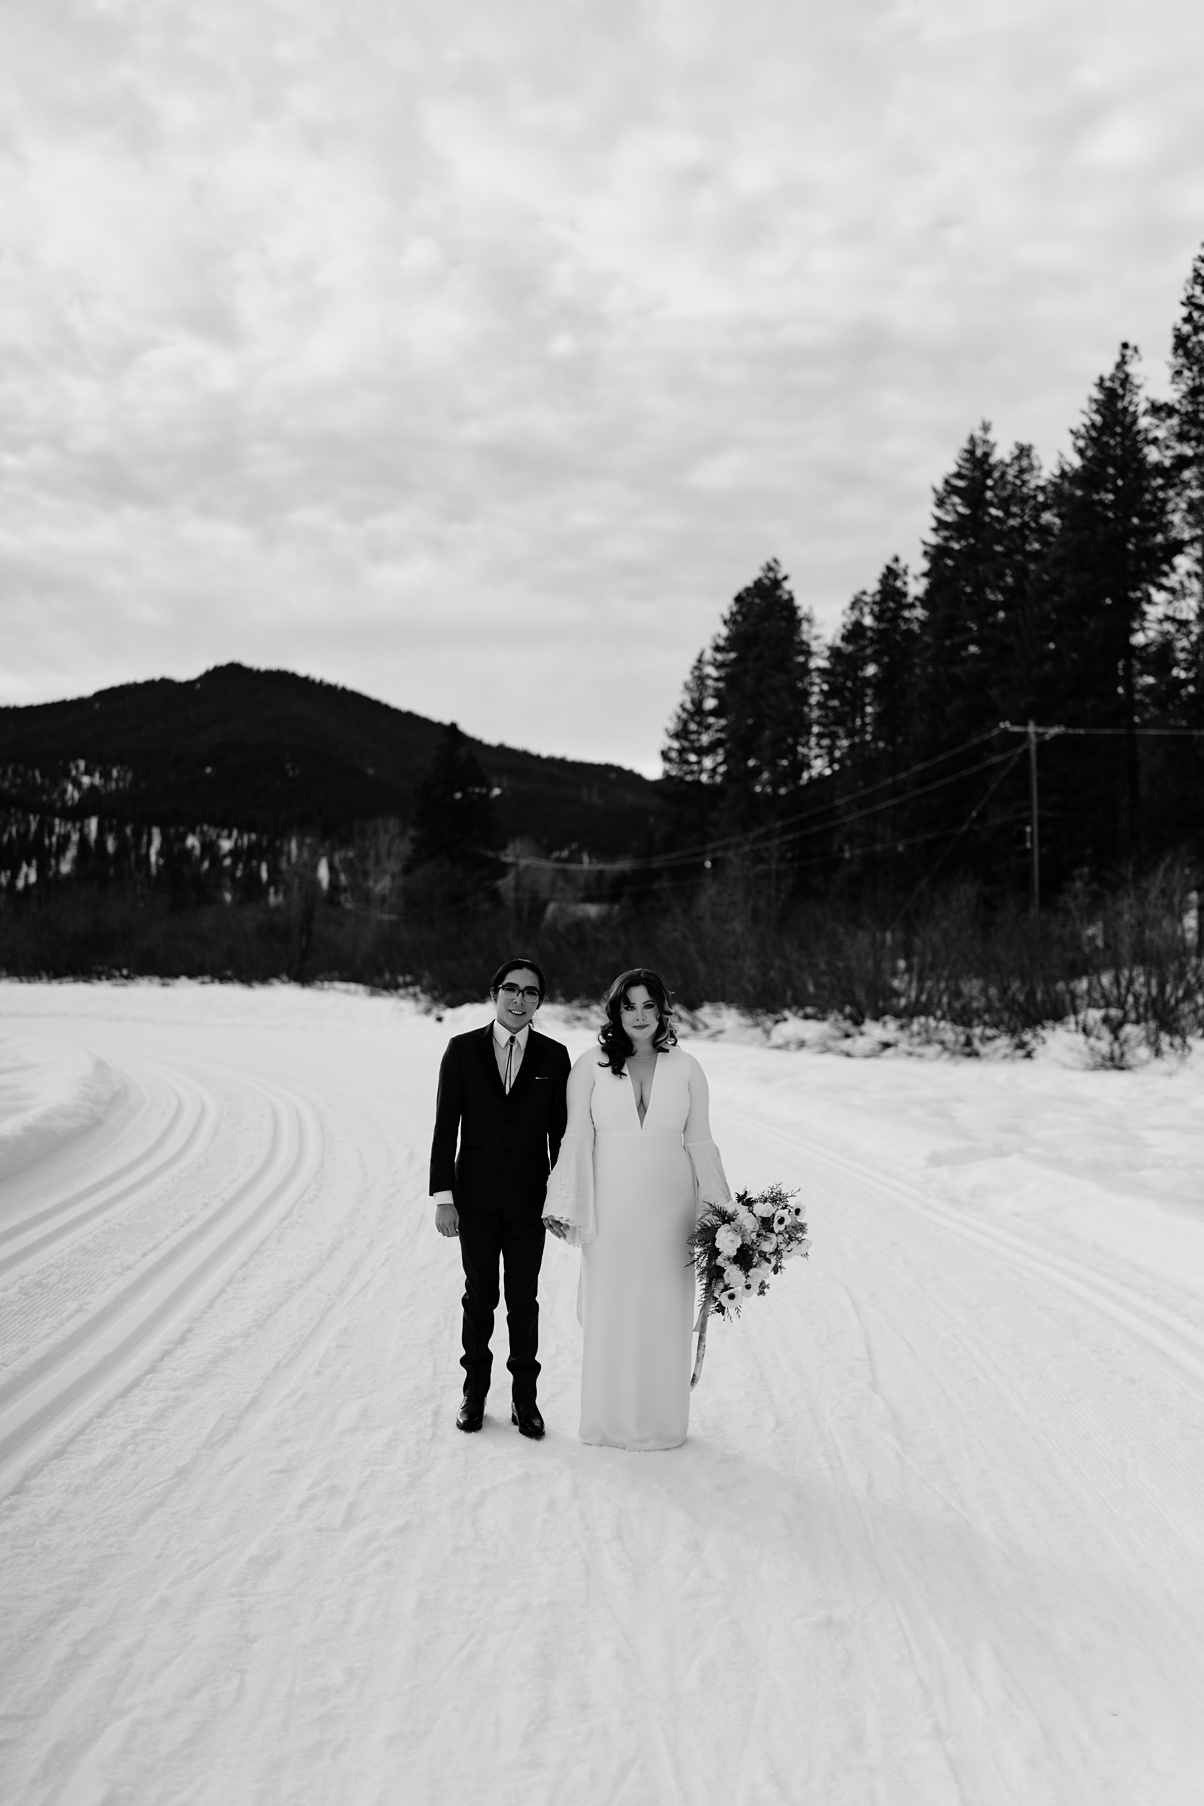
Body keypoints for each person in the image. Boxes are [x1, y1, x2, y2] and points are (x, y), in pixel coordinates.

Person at [542, 968, 731, 1450]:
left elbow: (700, 1142)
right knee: (613, 1308)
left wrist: (723, 1221)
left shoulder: (688, 1067)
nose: (640, 1016)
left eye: (649, 1005)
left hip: (672, 1210)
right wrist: (566, 1202)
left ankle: (662, 1423)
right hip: (612, 1206)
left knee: (664, 1308)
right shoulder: (590, 1063)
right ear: (616, 1011)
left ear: (663, 1010)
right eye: (630, 1006)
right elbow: (577, 1138)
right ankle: (606, 1422)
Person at [429, 957, 570, 1438]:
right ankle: (474, 1393)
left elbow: (562, 1139)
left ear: (539, 1002)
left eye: (530, 992)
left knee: (523, 1300)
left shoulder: (554, 1057)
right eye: (511, 989)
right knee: (479, 1298)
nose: (519, 999)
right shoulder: (462, 1050)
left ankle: (524, 1399)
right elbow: (445, 1128)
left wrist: (561, 1200)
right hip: (476, 1200)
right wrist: (444, 1197)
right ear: (495, 993)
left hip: (530, 1202)